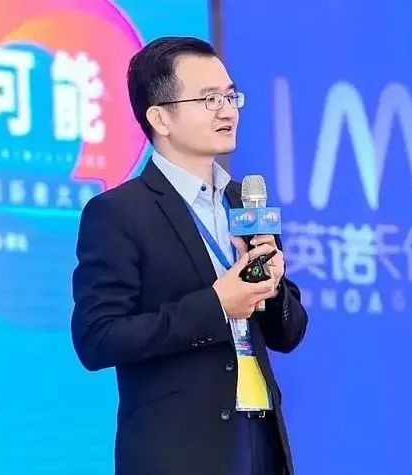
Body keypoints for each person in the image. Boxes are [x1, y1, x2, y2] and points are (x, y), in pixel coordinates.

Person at [71, 36, 308, 475]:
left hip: (260, 439)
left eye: (231, 97)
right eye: (209, 99)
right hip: (179, 451)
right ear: (160, 117)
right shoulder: (120, 212)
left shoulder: (245, 203)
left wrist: (273, 289)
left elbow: (289, 334)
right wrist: (217, 306)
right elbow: (98, 338)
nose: (227, 111)